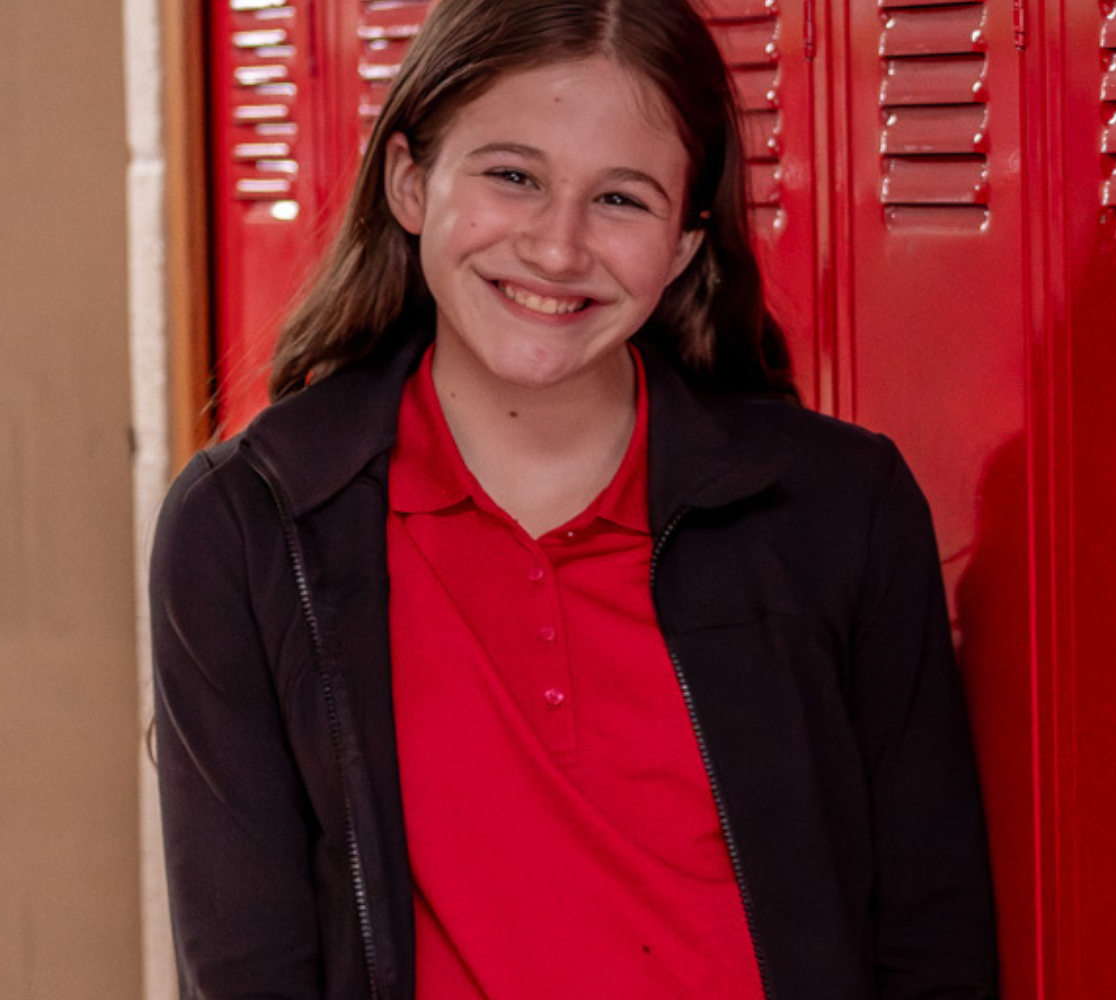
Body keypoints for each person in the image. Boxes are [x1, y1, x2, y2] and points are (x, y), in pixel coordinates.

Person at [149, 0, 996, 996]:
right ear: (410, 183)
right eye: (512, 176)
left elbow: (931, 938)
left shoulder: (837, 509)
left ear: (683, 245)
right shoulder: (253, 525)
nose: (557, 249)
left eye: (621, 200)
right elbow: (252, 968)